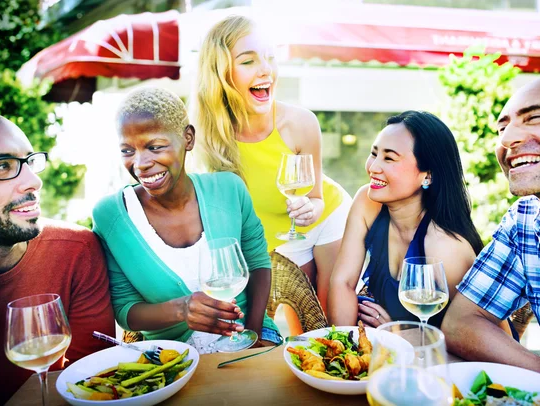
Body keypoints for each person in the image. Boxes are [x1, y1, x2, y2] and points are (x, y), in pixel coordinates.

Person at [92, 87, 281, 354]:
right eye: (127, 151)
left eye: (154, 147)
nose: (140, 163)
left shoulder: (229, 189)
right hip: (173, 352)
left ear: (187, 138)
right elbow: (125, 310)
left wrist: (251, 335)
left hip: (252, 331)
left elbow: (258, 263)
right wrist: (181, 310)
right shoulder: (111, 216)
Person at [193, 15, 352, 324]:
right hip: (271, 239)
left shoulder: (301, 123)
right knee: (292, 325)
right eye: (248, 61)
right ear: (220, 73)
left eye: (269, 58)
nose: (265, 69)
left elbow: (317, 197)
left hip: (323, 220)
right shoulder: (205, 137)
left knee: (330, 317)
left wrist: (311, 209)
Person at [443, 75, 540, 375]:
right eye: (502, 127)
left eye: (535, 117)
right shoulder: (523, 220)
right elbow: (460, 323)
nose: (506, 139)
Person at [0, 113, 115, 405]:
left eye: (29, 161)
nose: (34, 181)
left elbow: (91, 381)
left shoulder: (75, 250)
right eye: (3, 166)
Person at [328, 111, 486, 330]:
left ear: (427, 175)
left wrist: (396, 333)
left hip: (442, 358)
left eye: (389, 158)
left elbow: (471, 337)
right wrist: (345, 350)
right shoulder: (368, 202)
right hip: (387, 352)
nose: (373, 167)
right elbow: (342, 283)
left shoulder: (445, 248)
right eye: (374, 154)